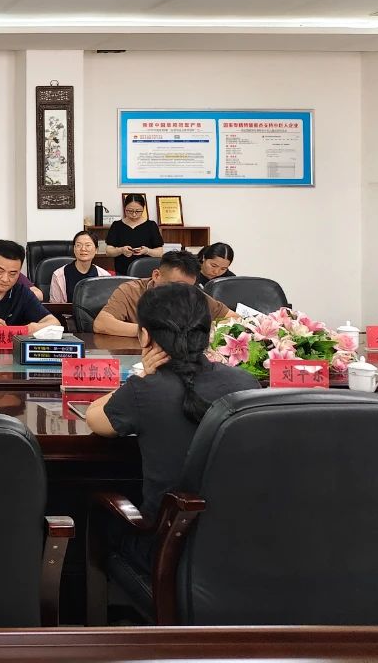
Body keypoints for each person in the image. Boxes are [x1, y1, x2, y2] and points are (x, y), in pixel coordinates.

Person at [85, 282, 258, 571]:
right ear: (207, 334)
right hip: (239, 549)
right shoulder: (245, 383)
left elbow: (94, 418)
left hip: (165, 551)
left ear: (144, 335)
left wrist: (142, 374)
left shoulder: (145, 390)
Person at [94, 250, 233, 338]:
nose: (180, 293)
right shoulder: (130, 290)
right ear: (156, 275)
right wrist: (152, 331)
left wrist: (205, 330)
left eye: (186, 288)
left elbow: (234, 319)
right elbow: (101, 323)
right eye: (175, 286)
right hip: (138, 355)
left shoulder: (192, 293)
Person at [104, 194, 164, 275]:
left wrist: (147, 251)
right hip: (122, 273)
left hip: (147, 273)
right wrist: (121, 250)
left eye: (138, 211)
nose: (134, 215)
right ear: (125, 208)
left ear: (143, 208)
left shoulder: (151, 225)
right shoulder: (117, 225)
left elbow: (160, 252)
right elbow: (108, 251)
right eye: (130, 211)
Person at [49, 230, 113, 304]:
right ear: (74, 249)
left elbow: (107, 305)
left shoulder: (104, 276)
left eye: (88, 245)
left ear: (96, 250)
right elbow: (55, 307)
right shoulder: (59, 275)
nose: (83, 249)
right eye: (79, 245)